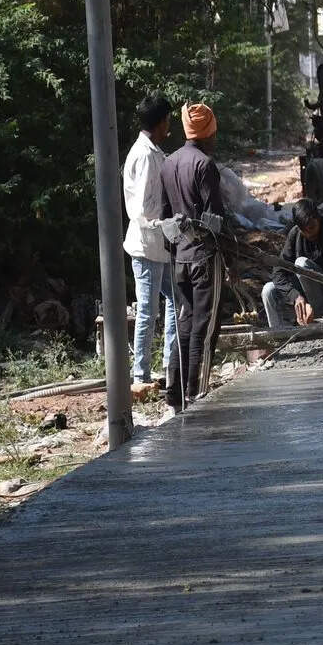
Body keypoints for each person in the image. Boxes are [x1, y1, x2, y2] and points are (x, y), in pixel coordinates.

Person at [160, 102, 226, 411]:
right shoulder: (204, 165)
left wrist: (177, 251)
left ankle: (175, 395)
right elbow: (215, 219)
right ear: (207, 133)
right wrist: (226, 254)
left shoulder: (168, 163)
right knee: (205, 326)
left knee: (184, 324)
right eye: (213, 132)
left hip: (180, 260)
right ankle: (197, 395)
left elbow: (164, 217)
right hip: (203, 258)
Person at [122, 95, 178, 396]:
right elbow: (144, 207)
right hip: (146, 244)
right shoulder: (144, 155)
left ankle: (171, 363)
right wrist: (165, 221)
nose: (170, 125)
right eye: (167, 120)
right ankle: (140, 373)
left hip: (161, 244)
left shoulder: (155, 151)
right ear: (159, 123)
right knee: (147, 310)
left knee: (175, 300)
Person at [262, 199, 323, 327]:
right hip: (306, 298)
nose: (309, 233)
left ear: (318, 219)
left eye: (312, 227)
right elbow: (278, 272)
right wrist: (296, 297)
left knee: (301, 263)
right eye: (304, 230)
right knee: (268, 290)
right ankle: (278, 333)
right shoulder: (295, 235)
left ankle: (318, 316)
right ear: (298, 227)